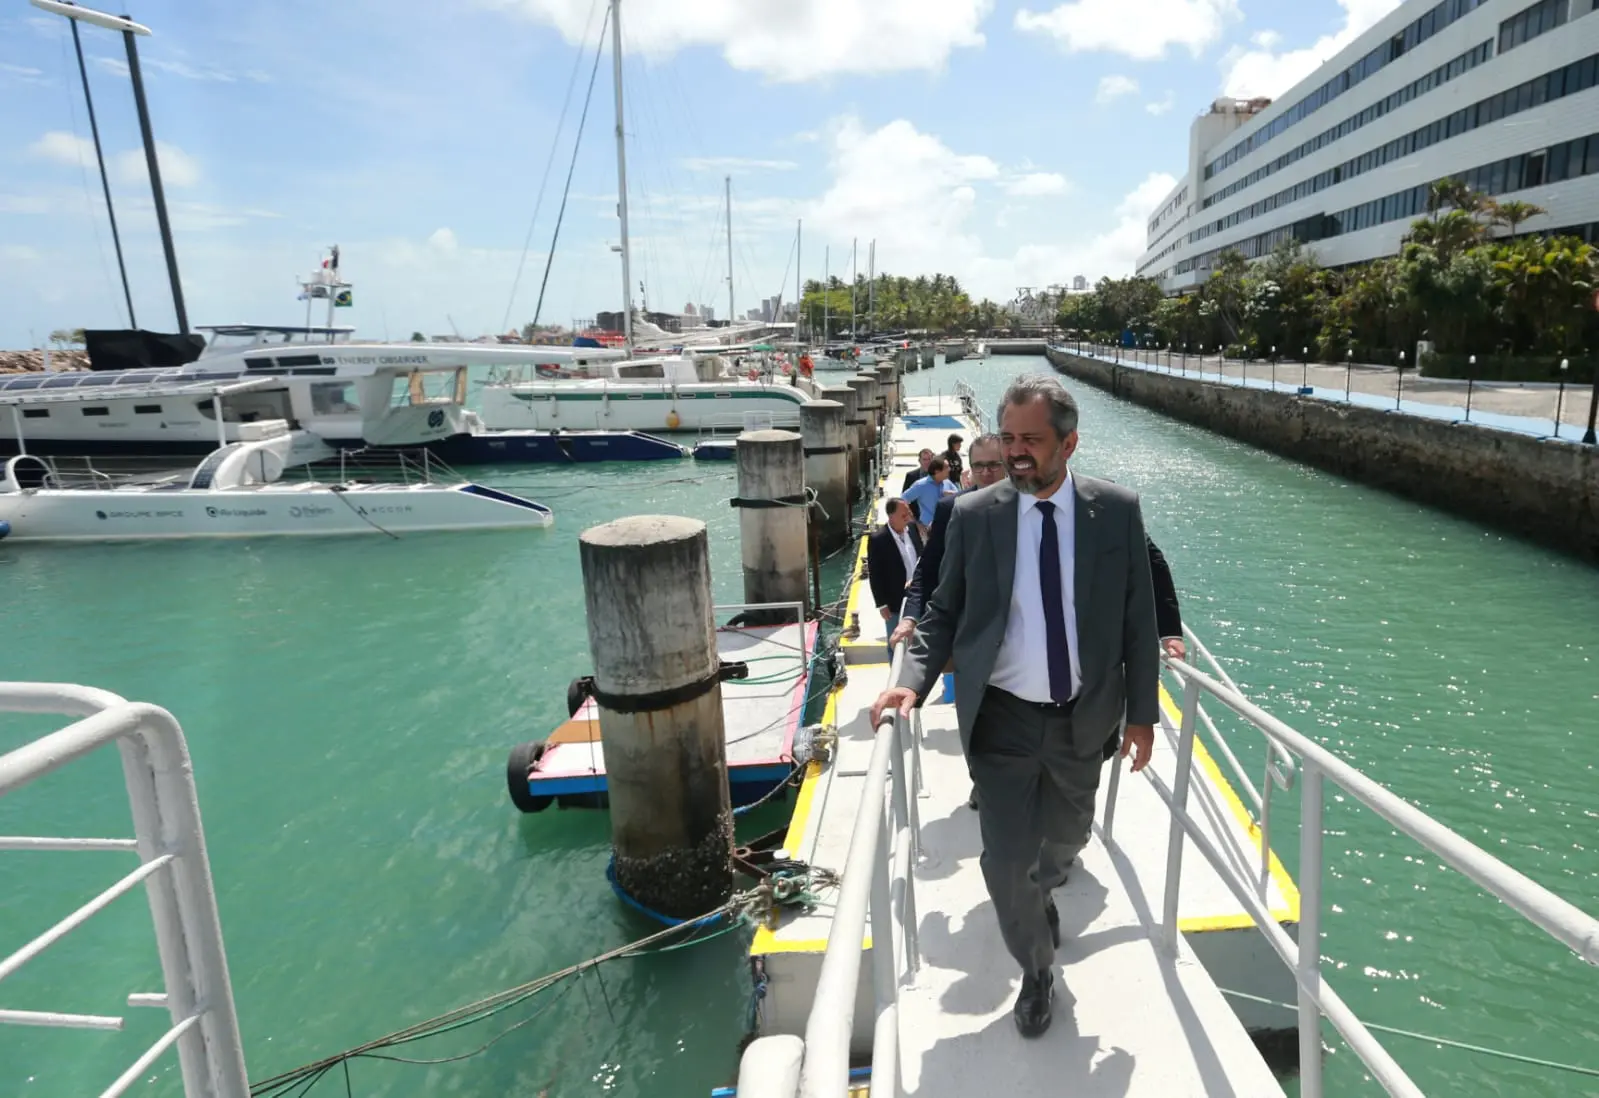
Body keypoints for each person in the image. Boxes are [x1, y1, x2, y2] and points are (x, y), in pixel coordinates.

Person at [870, 374, 1159, 1040]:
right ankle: (1036, 969)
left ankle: (1042, 891)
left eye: (1031, 439)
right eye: (1008, 437)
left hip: (1083, 717)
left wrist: (1141, 714)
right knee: (1003, 861)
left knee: (1064, 843)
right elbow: (943, 610)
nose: (1016, 451)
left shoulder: (1115, 511)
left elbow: (1137, 618)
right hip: (1000, 717)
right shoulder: (975, 515)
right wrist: (911, 680)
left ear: (1069, 443)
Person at [894, 433, 1007, 639]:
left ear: (1007, 463)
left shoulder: (1028, 505)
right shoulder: (950, 508)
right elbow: (928, 567)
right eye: (978, 466)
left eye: (994, 465)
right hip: (966, 628)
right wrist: (910, 617)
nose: (985, 472)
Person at [866, 498, 923, 658]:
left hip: (918, 595)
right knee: (895, 642)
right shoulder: (878, 539)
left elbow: (921, 555)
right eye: (904, 514)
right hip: (895, 601)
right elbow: (875, 574)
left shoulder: (912, 529)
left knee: (919, 639)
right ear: (891, 516)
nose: (908, 517)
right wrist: (881, 604)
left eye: (909, 513)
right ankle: (896, 671)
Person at [901, 456, 955, 531]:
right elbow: (902, 500)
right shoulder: (921, 485)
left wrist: (952, 496)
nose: (949, 469)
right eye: (946, 467)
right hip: (928, 530)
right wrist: (915, 523)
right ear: (937, 471)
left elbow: (960, 497)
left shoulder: (947, 482)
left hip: (948, 527)